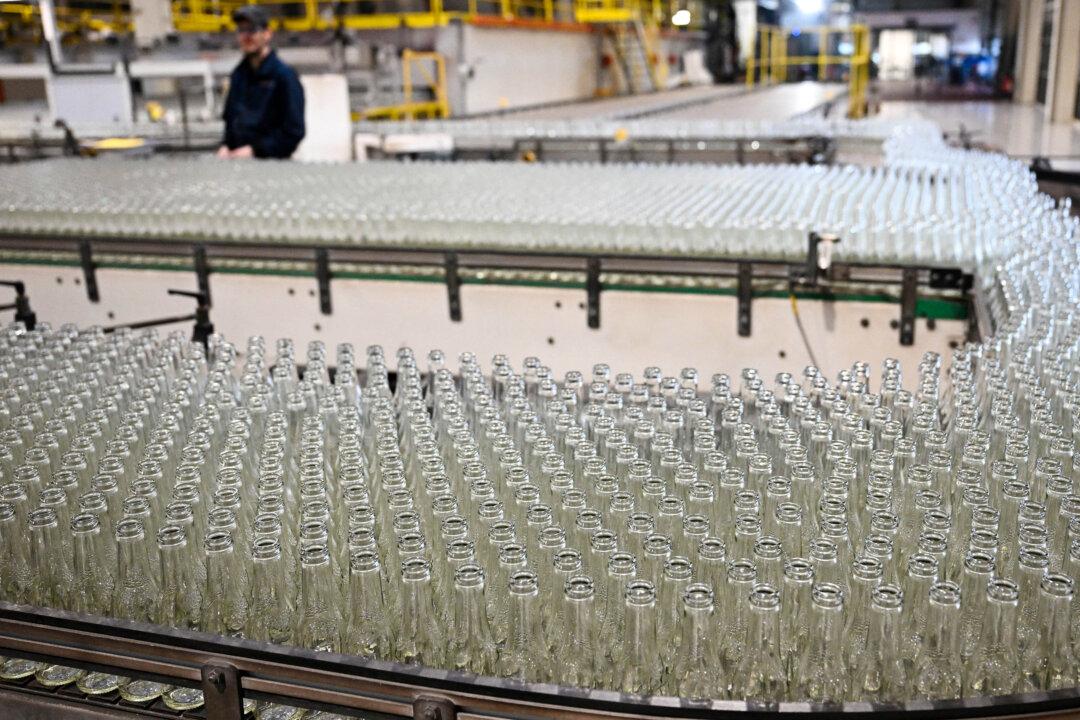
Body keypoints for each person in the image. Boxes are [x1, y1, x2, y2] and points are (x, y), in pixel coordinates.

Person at [217, 5, 306, 160]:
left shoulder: (284, 76)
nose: (246, 36)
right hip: (239, 165)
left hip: (273, 167)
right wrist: (226, 146)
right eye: (241, 30)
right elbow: (231, 121)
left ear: (267, 34)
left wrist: (256, 151)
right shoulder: (238, 75)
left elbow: (294, 131)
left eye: (252, 30)